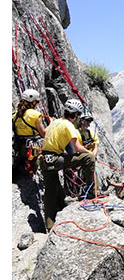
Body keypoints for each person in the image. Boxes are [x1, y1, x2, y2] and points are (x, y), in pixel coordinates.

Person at [38, 98, 95, 231]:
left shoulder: (55, 122)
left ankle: (49, 225)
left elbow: (46, 135)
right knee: (88, 158)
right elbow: (77, 148)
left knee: (50, 192)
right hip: (57, 159)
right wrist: (90, 153)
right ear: (75, 115)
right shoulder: (69, 126)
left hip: (44, 160)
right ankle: (91, 194)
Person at [12, 89, 50, 177]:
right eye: (37, 102)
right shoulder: (35, 115)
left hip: (22, 147)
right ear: (33, 102)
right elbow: (43, 134)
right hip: (33, 147)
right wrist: (52, 124)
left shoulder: (16, 115)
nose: (37, 104)